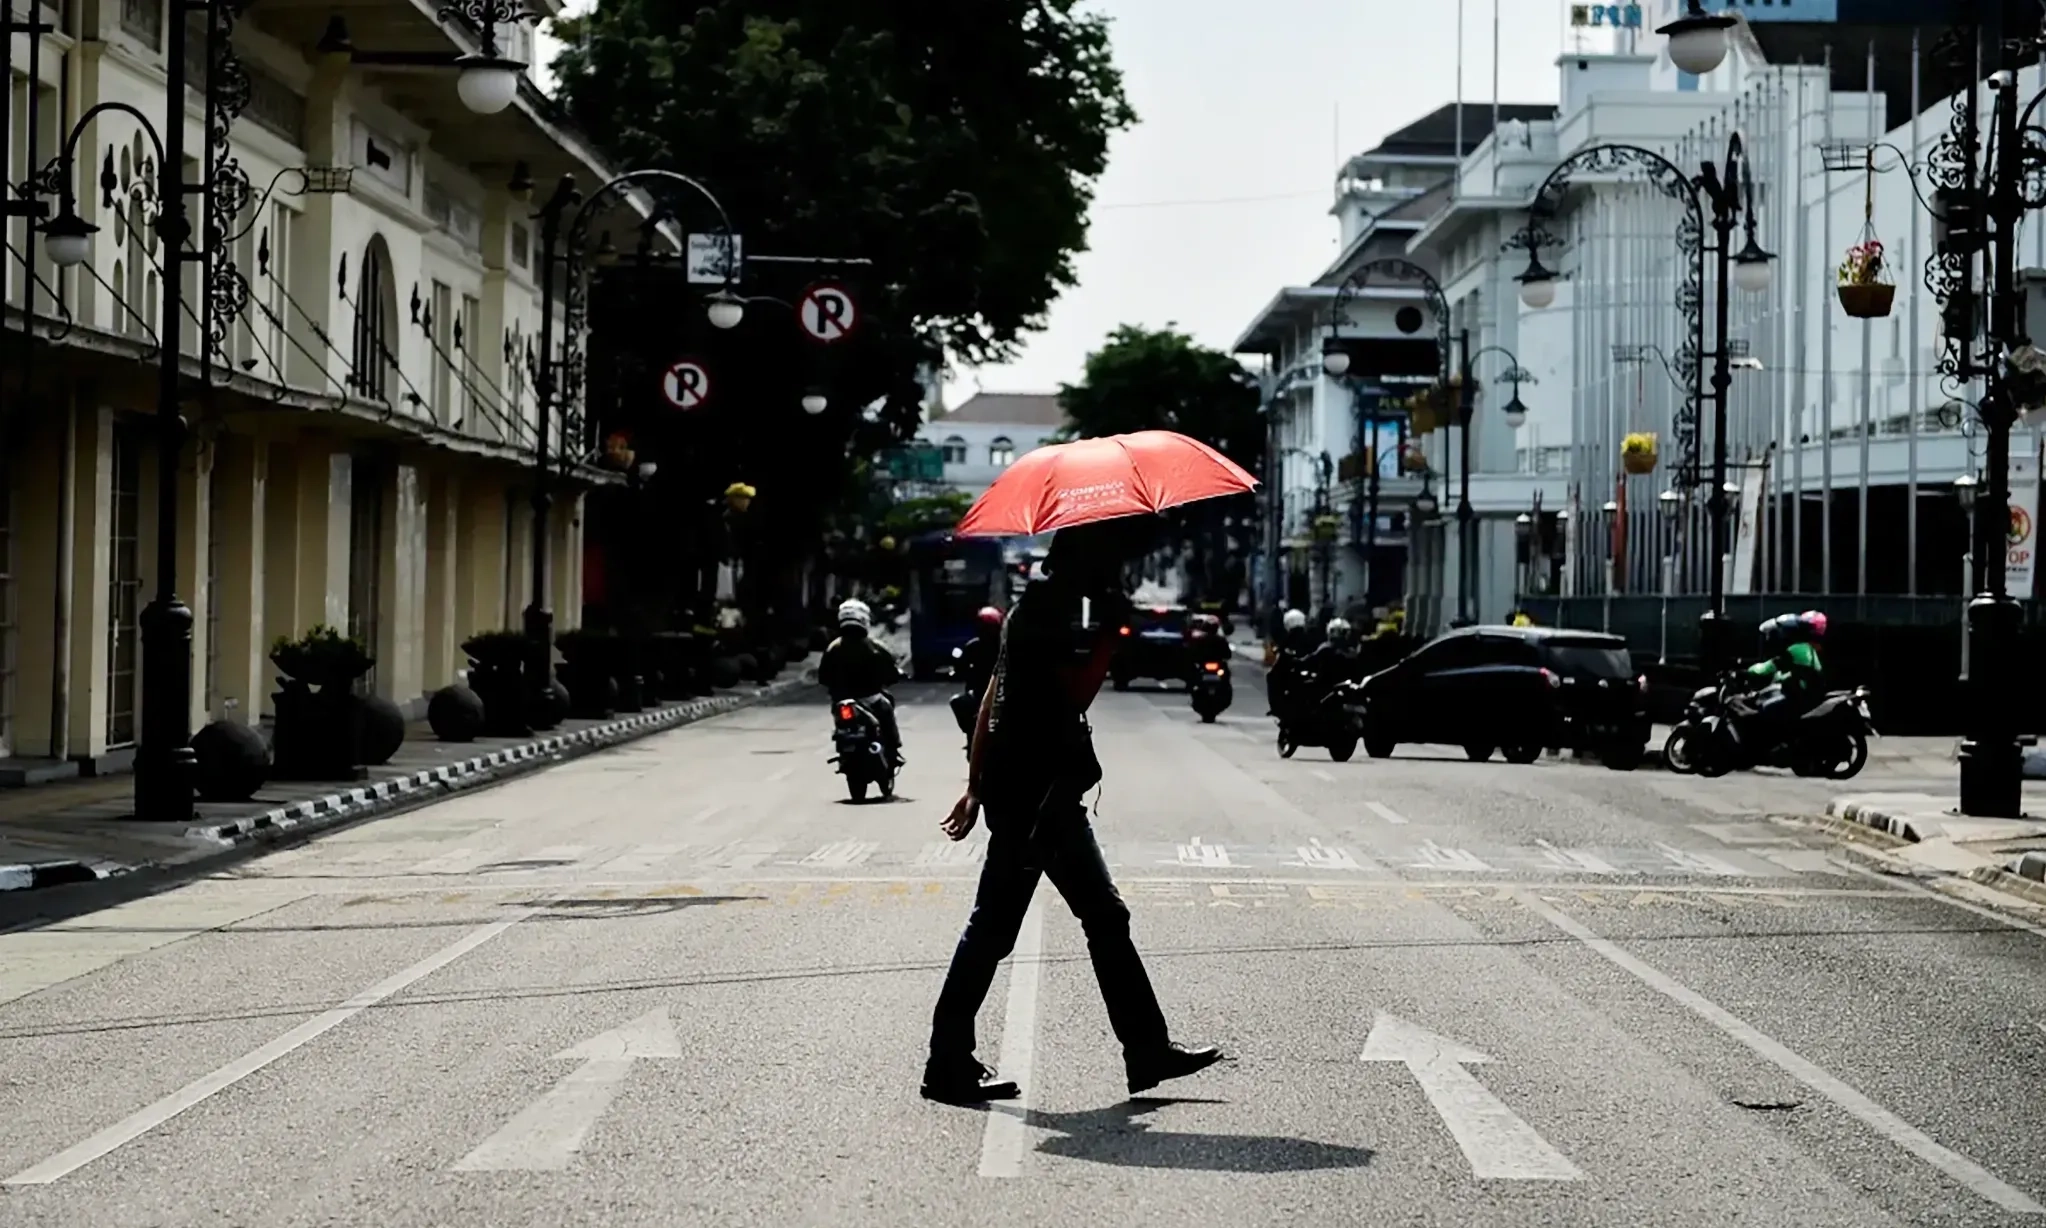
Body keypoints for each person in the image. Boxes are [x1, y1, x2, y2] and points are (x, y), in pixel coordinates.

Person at [923, 517, 1223, 1104]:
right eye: (1105, 565)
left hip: (1030, 792)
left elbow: (994, 696)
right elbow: (1071, 695)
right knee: (1001, 926)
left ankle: (1145, 1049)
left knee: (1092, 918)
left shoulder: (1028, 610)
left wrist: (976, 783)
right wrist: (1112, 639)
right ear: (1083, 565)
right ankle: (949, 1061)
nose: (1111, 576)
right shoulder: (1047, 617)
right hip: (1039, 798)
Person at [819, 599, 904, 764]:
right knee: (886, 709)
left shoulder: (833, 648)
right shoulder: (875, 647)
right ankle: (893, 751)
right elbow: (891, 672)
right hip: (870, 698)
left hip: (841, 700)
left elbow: (823, 678)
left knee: (840, 722)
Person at [1735, 610, 1827, 745]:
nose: (1777, 635)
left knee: (1765, 709)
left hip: (1801, 696)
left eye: (1780, 632)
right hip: (1807, 693)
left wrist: (1747, 670)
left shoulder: (1794, 650)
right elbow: (1793, 671)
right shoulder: (1805, 647)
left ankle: (1771, 744)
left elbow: (1767, 668)